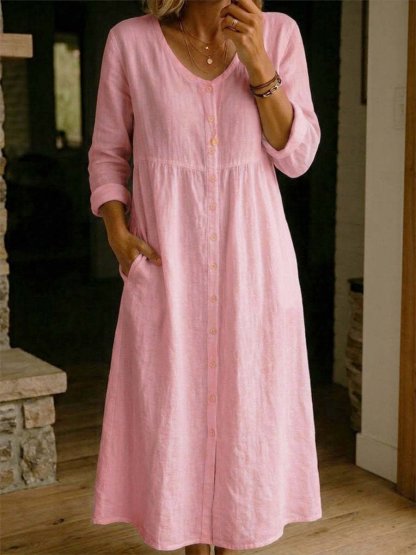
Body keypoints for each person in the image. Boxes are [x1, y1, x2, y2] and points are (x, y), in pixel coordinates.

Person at [87, 0, 323, 553]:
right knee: (175, 412)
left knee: (248, 414)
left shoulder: (279, 34)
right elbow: (107, 154)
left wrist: (259, 63)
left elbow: (297, 158)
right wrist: (117, 233)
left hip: (254, 271)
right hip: (169, 270)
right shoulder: (130, 43)